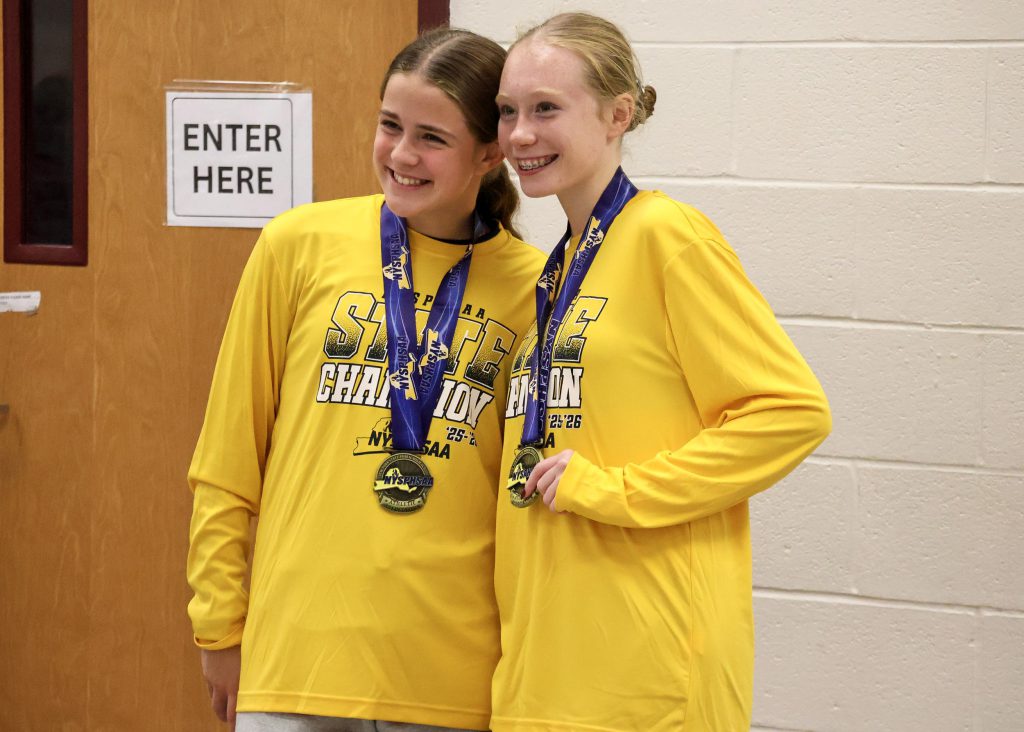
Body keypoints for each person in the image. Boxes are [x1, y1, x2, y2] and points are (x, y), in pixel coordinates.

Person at [186, 28, 546, 732]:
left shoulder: (535, 288)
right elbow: (228, 458)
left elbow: (524, 509)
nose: (402, 154)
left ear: (490, 152)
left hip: (454, 678)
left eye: (432, 137)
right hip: (298, 663)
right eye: (390, 126)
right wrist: (218, 626)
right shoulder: (297, 245)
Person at [492, 12, 832, 732]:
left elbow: (790, 412)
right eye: (507, 111)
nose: (519, 134)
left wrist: (616, 489)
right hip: (546, 673)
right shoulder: (556, 272)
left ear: (618, 115)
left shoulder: (666, 235)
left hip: (649, 677)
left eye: (545, 108)